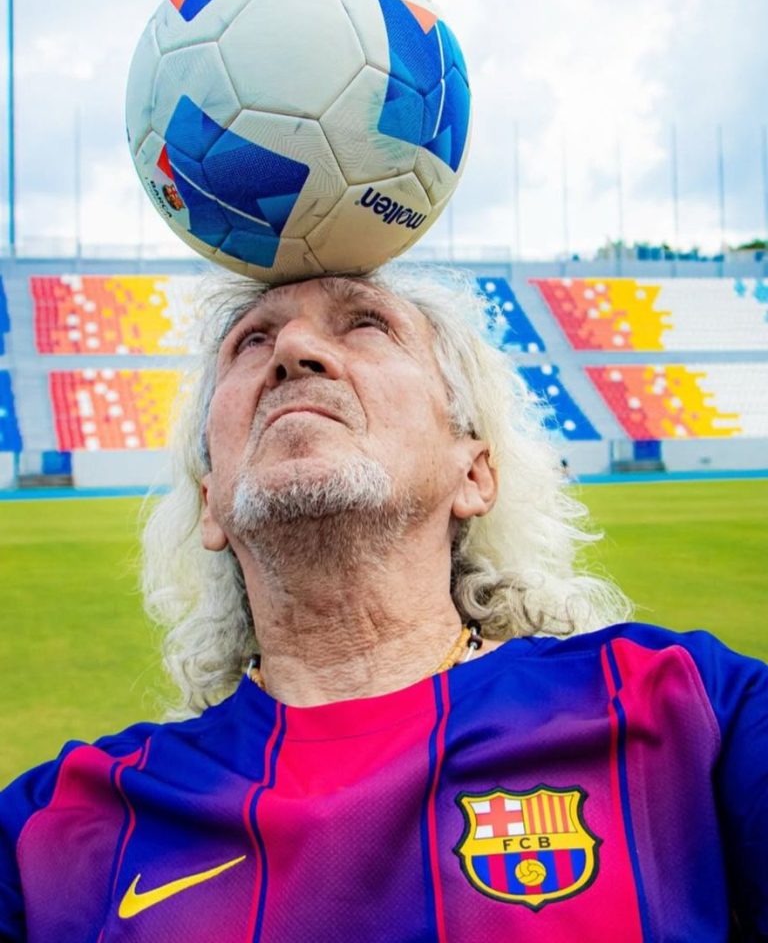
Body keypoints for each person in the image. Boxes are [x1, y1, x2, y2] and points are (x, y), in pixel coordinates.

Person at [0, 267, 766, 942]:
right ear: (212, 504)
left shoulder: (690, 710)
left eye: (366, 324)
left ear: (475, 472)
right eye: (249, 343)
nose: (295, 352)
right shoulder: (55, 828)